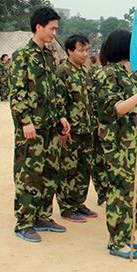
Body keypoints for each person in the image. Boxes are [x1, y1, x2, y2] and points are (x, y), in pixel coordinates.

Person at [10, 7, 70, 243]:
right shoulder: (22, 56)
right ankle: (24, 222)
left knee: (49, 172)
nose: (55, 33)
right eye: (52, 28)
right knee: (29, 174)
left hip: (50, 126)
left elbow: (53, 90)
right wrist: (25, 121)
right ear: (39, 27)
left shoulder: (48, 56)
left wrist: (61, 116)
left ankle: (43, 216)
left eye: (56, 28)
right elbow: (17, 93)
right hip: (31, 128)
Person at [96, 29, 137, 259]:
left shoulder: (123, 72)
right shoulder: (107, 74)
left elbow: (127, 106)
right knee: (119, 191)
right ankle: (116, 242)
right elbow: (114, 108)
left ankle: (129, 235)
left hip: (129, 141)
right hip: (116, 143)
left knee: (132, 190)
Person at [55, 34, 98, 223]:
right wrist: (61, 130)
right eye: (81, 50)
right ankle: (67, 207)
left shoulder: (84, 72)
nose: (85, 54)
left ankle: (79, 202)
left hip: (86, 129)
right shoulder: (62, 72)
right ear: (70, 51)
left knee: (84, 169)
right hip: (70, 131)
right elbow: (58, 102)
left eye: (87, 50)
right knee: (68, 169)